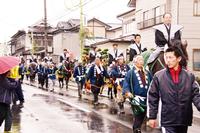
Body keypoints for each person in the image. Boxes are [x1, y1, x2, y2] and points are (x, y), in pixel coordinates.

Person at [147, 45, 200, 133]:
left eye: (170, 57)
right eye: (166, 57)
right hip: (168, 120)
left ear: (178, 59)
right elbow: (152, 96)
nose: (167, 60)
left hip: (183, 120)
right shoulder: (158, 76)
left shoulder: (189, 76)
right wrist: (152, 117)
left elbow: (196, 95)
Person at [123, 55, 152, 133]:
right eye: (139, 60)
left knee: (143, 115)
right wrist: (127, 92)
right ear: (135, 62)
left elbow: (152, 83)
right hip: (136, 98)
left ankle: (137, 128)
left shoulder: (147, 72)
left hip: (146, 98)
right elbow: (126, 83)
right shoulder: (130, 73)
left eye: (142, 60)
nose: (142, 61)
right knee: (138, 115)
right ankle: (136, 129)